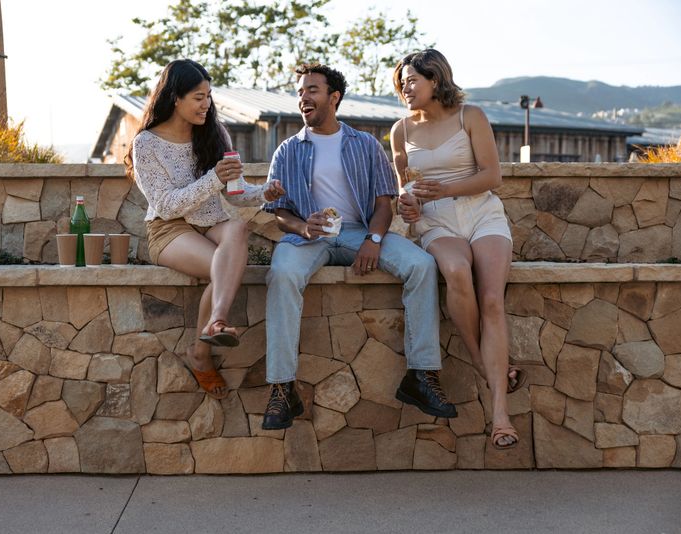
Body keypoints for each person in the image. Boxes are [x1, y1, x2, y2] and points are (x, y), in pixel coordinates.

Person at [260, 63, 457, 431]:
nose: (304, 97)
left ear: (333, 97)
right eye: (300, 91)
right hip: (308, 238)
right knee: (283, 273)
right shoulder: (287, 149)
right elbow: (278, 212)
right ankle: (283, 388)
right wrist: (304, 227)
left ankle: (422, 376)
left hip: (359, 233)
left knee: (421, 265)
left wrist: (374, 239)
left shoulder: (364, 144)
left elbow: (385, 203)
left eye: (312, 90)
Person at [391, 49, 524, 449]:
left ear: (436, 79)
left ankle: (500, 415)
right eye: (402, 81)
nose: (406, 87)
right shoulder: (400, 130)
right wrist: (408, 202)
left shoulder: (471, 116)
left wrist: (446, 188)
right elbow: (404, 186)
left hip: (481, 213)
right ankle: (489, 366)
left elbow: (492, 175)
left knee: (492, 301)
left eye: (413, 79)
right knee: (455, 272)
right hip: (437, 221)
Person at [129, 59, 285, 400]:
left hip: (212, 224)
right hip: (169, 230)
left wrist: (265, 192)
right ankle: (203, 350)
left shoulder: (216, 133)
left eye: (209, 96)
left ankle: (214, 323)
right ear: (175, 98)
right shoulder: (146, 144)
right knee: (225, 265)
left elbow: (236, 192)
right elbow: (167, 205)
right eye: (198, 97)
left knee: (237, 231)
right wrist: (213, 177)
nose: (207, 104)